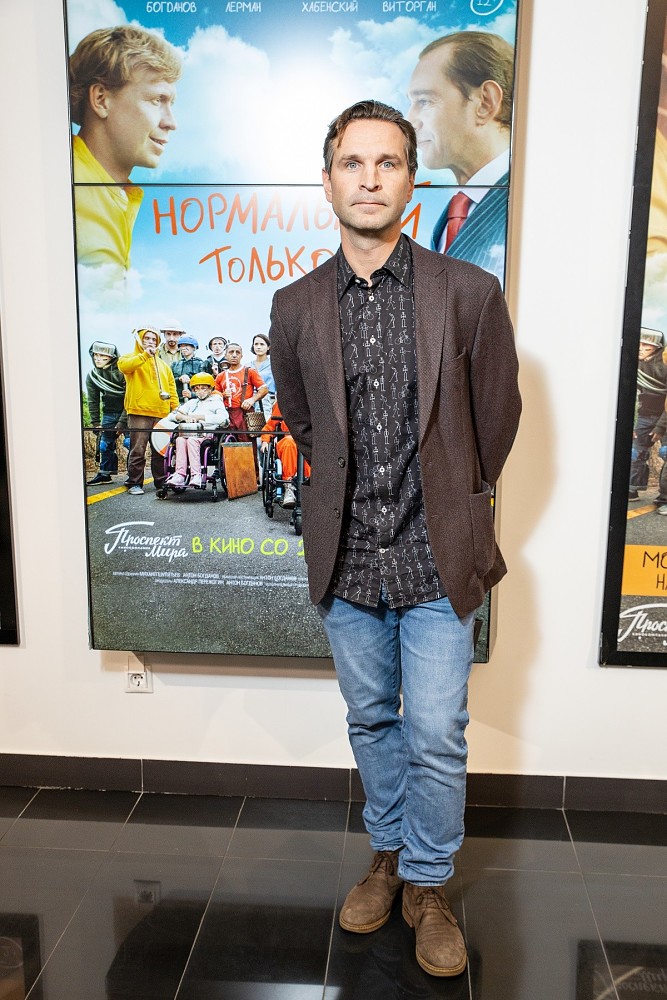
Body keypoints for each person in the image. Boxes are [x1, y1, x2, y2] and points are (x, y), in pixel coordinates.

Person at [270, 100, 520, 978]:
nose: (369, 178)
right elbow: (304, 422)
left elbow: (496, 418)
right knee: (372, 718)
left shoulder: (467, 293)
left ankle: (427, 884)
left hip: (437, 553)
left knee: (437, 732)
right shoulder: (295, 305)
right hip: (346, 556)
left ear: (412, 181)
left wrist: (456, 493)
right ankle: (387, 855)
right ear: (328, 180)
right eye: (352, 162)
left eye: (387, 162)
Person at [69, 25, 181, 275]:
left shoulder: (108, 193)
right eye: (157, 100)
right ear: (101, 99)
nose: (171, 122)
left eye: (171, 103)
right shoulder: (74, 200)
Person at [407, 32, 514, 281]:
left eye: (424, 101)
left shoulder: (525, 204)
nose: (410, 120)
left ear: (486, 102)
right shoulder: (453, 213)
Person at [118, 326, 179, 495]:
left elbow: (172, 389)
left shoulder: (164, 365)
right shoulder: (128, 358)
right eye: (147, 338)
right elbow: (125, 367)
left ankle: (161, 481)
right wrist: (145, 355)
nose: (151, 342)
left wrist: (176, 409)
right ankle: (134, 483)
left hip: (162, 413)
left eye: (154, 339)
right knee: (138, 449)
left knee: (160, 450)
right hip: (139, 411)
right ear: (139, 340)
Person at [166, 373, 229, 488]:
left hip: (207, 435)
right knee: (180, 440)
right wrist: (184, 417)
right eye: (197, 388)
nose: (200, 391)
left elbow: (223, 419)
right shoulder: (192, 403)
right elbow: (171, 416)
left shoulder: (216, 402)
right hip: (189, 433)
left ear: (210, 389)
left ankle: (196, 475)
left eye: (204, 388)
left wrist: (201, 417)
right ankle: (180, 474)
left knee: (191, 440)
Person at [629, 328, 667, 509]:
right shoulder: (634, 365)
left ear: (657, 347)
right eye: (639, 344)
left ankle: (665, 497)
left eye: (646, 345)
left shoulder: (664, 366)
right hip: (644, 415)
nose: (641, 348)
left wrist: (660, 427)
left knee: (665, 453)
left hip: (664, 416)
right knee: (635, 452)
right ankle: (633, 489)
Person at [85, 341, 129, 485]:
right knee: (104, 444)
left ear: (112, 357)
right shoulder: (93, 376)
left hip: (128, 412)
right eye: (96, 355)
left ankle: (134, 474)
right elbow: (93, 400)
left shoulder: (124, 373)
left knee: (130, 443)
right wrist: (95, 423)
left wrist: (122, 422)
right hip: (109, 412)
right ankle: (105, 473)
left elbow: (130, 398)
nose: (98, 359)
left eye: (102, 356)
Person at [260, 400, 311, 508]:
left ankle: (310, 483)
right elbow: (269, 426)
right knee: (289, 443)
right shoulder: (283, 402)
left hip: (309, 439)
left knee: (311, 445)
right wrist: (265, 441)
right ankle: (288, 486)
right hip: (288, 439)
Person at [250, 334, 276, 420]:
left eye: (262, 344)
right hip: (251, 401)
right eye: (256, 344)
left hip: (269, 401)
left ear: (268, 347)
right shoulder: (248, 365)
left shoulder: (273, 365)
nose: (258, 347)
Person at [171, 335, 204, 402]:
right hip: (178, 401)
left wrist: (192, 394)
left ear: (194, 348)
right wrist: (179, 379)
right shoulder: (175, 365)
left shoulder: (201, 364)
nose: (183, 348)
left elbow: (207, 387)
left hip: (197, 401)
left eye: (186, 345)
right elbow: (170, 382)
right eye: (181, 346)